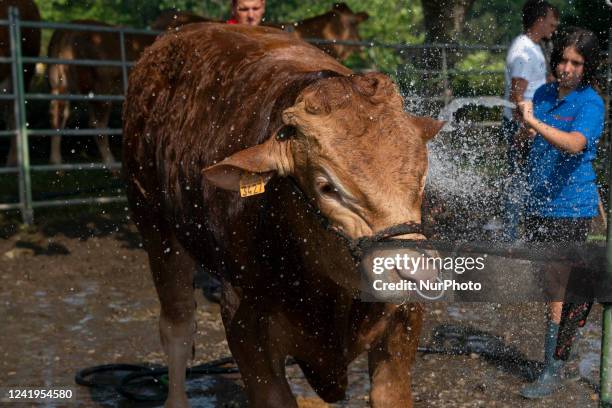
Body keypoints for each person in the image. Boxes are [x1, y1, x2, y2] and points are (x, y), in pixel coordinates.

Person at [517, 27, 605, 399]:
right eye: (563, 60)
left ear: (587, 67)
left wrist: (535, 122)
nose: (567, 68)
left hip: (571, 207)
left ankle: (552, 368)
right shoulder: (542, 93)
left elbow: (574, 144)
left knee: (556, 288)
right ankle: (570, 329)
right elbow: (532, 142)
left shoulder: (591, 103)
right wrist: (525, 130)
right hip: (539, 204)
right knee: (549, 285)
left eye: (576, 62)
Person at [502, 0, 559, 241]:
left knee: (525, 177)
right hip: (523, 124)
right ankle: (511, 236)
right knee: (519, 179)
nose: (553, 28)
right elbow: (518, 93)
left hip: (529, 122)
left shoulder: (531, 47)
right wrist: (526, 126)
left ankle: (519, 233)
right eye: (550, 22)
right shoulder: (524, 51)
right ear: (539, 21)